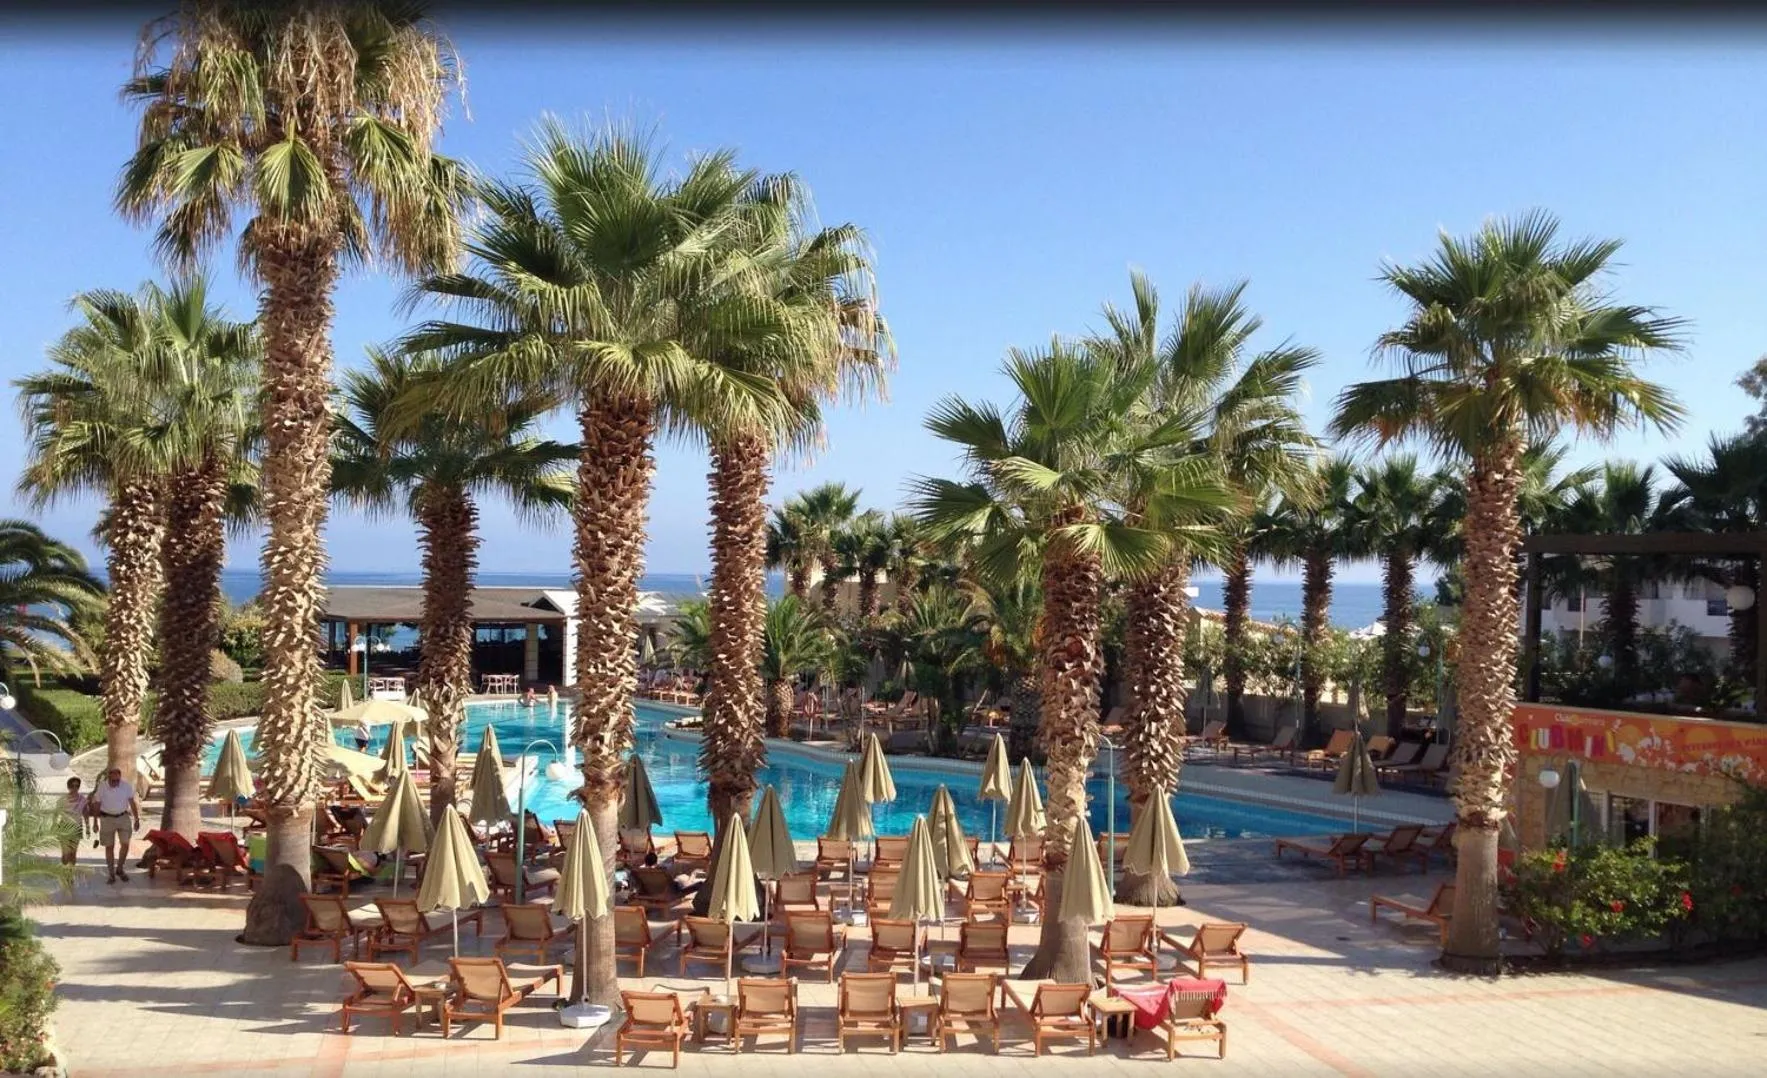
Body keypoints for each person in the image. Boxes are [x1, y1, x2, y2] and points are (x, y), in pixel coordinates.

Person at [88, 767, 141, 884]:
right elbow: (97, 804)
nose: (115, 783)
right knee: (109, 847)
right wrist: (95, 822)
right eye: (113, 781)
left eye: (117, 780)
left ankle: (120, 868)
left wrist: (137, 819)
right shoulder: (102, 787)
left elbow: (132, 802)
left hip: (123, 817)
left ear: (120, 778)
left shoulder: (126, 786)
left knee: (125, 844)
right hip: (107, 819)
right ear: (109, 778)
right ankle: (111, 873)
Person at [60, 777, 87, 866]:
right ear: (68, 786)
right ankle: (64, 873)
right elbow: (56, 813)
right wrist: (53, 824)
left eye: (77, 786)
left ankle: (70, 875)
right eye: (72, 785)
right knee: (66, 853)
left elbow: (85, 813)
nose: (74, 788)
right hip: (64, 827)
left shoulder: (82, 799)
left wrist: (88, 827)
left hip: (77, 827)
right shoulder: (63, 799)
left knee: (73, 853)